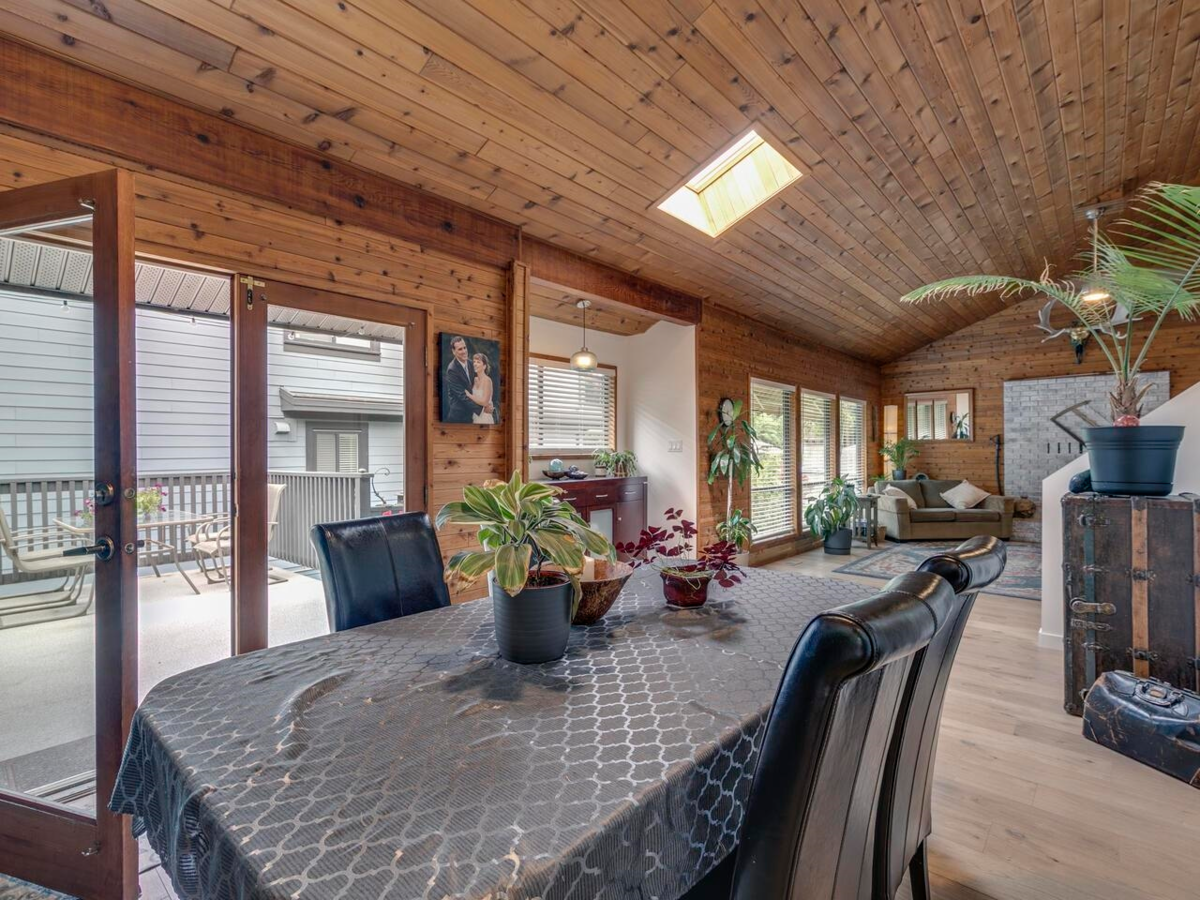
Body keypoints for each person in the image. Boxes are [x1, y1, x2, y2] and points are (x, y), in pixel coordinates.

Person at [443, 335, 494, 423]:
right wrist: (482, 409)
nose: (464, 351)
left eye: (464, 347)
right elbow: (462, 395)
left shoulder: (471, 364)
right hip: (459, 416)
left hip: (473, 415)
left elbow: (483, 385)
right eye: (460, 349)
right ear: (454, 352)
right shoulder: (452, 369)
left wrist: (489, 405)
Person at [466, 352, 495, 424]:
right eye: (474, 362)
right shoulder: (474, 380)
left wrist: (469, 395)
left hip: (485, 418)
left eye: (478, 362)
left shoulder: (487, 380)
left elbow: (485, 402)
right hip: (475, 417)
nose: (475, 364)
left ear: (484, 366)